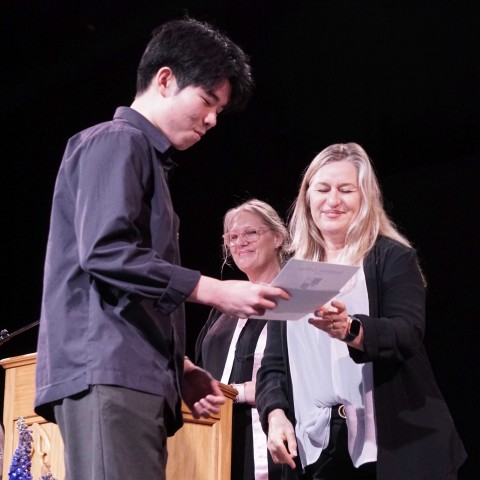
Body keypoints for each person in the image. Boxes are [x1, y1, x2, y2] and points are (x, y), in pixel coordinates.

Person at [34, 17, 289, 480]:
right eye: (207, 101)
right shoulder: (118, 141)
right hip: (108, 373)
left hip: (128, 374)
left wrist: (182, 366)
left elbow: (129, 285)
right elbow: (106, 253)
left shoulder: (142, 157)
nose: (213, 119)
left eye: (219, 109)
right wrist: (215, 290)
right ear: (166, 79)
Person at [256, 142, 467, 480]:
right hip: (321, 450)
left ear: (365, 197)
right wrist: (276, 414)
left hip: (395, 445)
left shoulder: (392, 258)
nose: (333, 200)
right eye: (322, 189)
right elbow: (273, 365)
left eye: (346, 190)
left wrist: (351, 330)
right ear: (307, 198)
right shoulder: (293, 274)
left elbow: (407, 333)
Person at [196, 199, 289, 480]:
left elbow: (305, 371)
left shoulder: (292, 299)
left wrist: (241, 392)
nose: (240, 243)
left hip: (271, 435)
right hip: (215, 439)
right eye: (232, 237)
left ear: (277, 237)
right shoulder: (223, 309)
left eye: (250, 233)